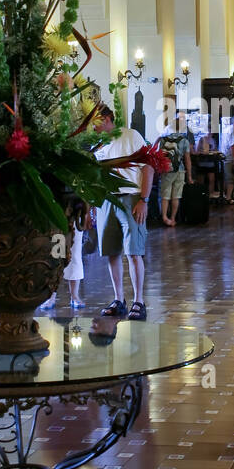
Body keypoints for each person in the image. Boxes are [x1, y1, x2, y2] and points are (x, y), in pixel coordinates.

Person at [92, 103, 154, 320]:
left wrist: (144, 199)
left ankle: (139, 301)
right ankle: (119, 299)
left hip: (131, 198)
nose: (93, 127)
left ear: (107, 119)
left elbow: (148, 166)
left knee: (133, 251)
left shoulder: (131, 136)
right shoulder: (97, 144)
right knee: (111, 251)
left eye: (95, 122)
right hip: (107, 200)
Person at [154, 113, 193, 226]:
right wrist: (189, 176)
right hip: (179, 170)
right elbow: (187, 160)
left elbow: (159, 156)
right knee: (176, 196)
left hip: (166, 170)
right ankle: (173, 218)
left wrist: (159, 170)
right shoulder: (184, 140)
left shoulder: (163, 139)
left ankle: (165, 217)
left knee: (165, 195)